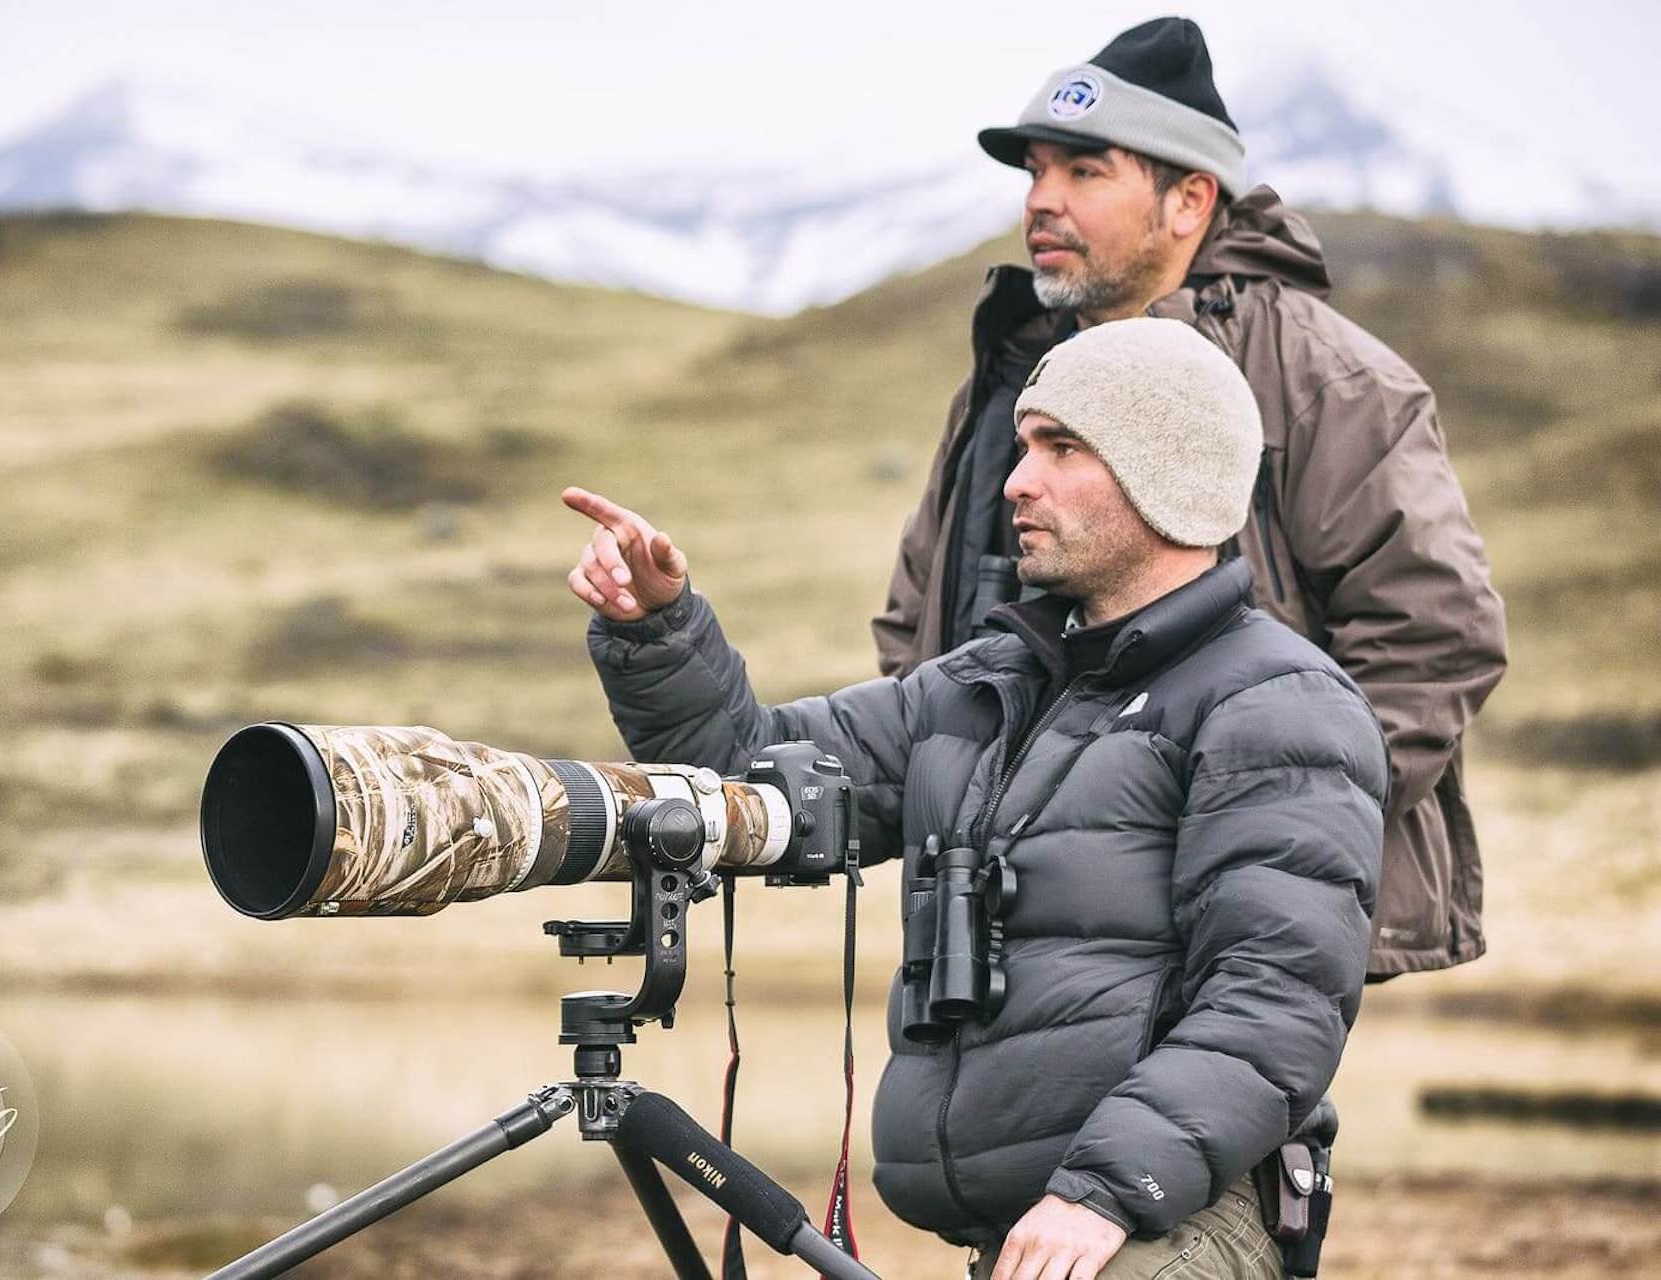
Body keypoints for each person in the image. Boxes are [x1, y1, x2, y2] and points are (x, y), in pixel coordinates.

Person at [563, 318, 1388, 1280]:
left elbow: (1275, 1002)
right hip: (1042, 1227)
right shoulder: (980, 685)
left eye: (1061, 447)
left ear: (1165, 475)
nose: (1014, 480)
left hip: (1181, 1214)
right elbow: (752, 772)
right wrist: (661, 630)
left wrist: (1103, 1194)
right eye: (1024, 443)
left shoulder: (1277, 703)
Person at [872, 16, 1504, 979]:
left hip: (1208, 929)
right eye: (1035, 171)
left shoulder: (1324, 381)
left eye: (1084, 172)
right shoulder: (1009, 378)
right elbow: (923, 620)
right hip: (985, 916)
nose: (1040, 200)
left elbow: (1437, 634)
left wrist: (1260, 834)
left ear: (1189, 200)